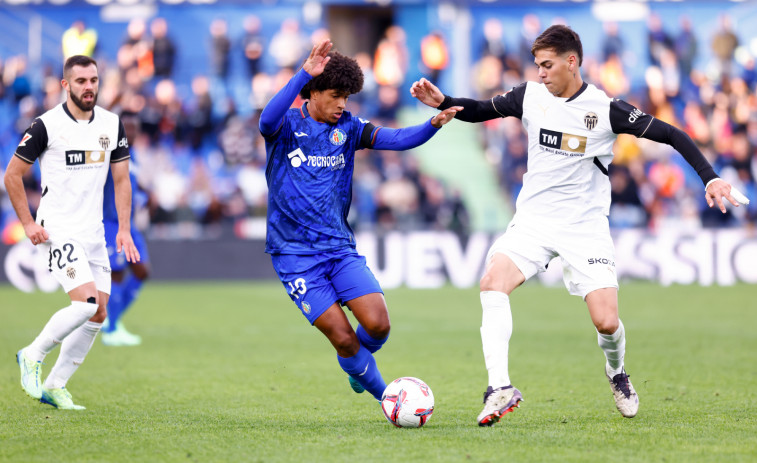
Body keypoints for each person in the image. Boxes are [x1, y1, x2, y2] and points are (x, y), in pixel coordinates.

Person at [410, 25, 750, 426]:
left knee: (606, 322)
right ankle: (498, 387)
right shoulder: (530, 96)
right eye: (537, 65)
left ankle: (617, 372)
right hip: (534, 221)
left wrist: (710, 177)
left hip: (584, 227)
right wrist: (445, 102)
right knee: (492, 283)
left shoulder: (606, 110)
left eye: (547, 65)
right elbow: (483, 109)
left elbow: (672, 134)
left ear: (572, 62)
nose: (540, 73)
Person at [258, 39, 460, 403]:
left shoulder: (349, 128)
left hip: (338, 248)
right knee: (343, 337)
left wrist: (433, 124)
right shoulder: (286, 126)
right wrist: (303, 71)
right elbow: (265, 119)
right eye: (336, 95)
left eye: (347, 97)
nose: (342, 104)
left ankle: (357, 364)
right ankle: (389, 398)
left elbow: (395, 139)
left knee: (378, 326)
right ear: (314, 92)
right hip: (294, 256)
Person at [4, 55, 139, 410]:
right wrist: (28, 223)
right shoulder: (46, 125)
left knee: (99, 312)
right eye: (80, 81)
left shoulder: (111, 123)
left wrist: (123, 228)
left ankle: (55, 385)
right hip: (58, 228)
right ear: (66, 85)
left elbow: (122, 180)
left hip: (94, 231)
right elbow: (12, 175)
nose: (89, 87)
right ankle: (32, 355)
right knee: (85, 303)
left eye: (93, 80)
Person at [101, 111, 150, 346]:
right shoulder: (109, 153)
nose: (131, 131)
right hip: (111, 221)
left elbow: (134, 185)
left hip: (130, 223)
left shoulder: (136, 157)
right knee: (117, 273)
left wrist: (145, 195)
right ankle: (111, 330)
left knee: (142, 272)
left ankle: (114, 319)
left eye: (134, 127)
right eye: (126, 127)